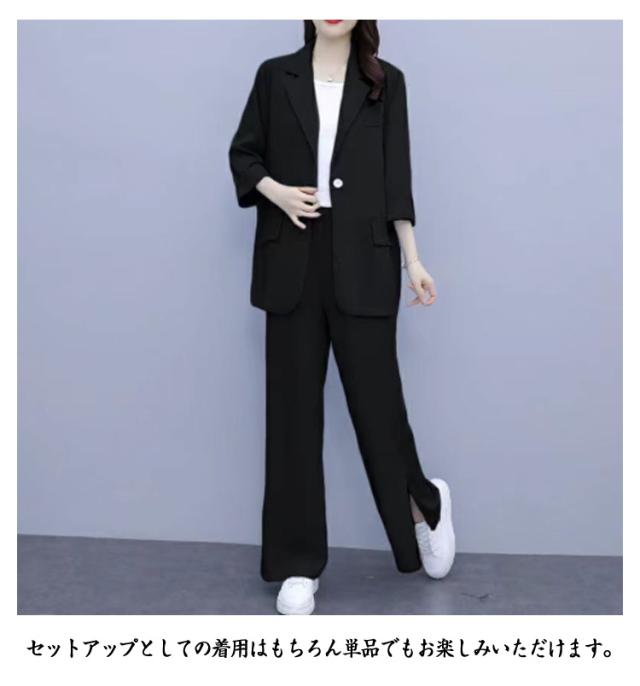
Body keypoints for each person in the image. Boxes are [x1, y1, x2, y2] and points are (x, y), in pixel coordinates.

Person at [228, 19, 455, 615]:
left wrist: (413, 260)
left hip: (365, 259)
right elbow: (243, 154)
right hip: (292, 260)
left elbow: (396, 178)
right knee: (292, 416)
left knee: (378, 407)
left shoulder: (386, 82)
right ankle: (296, 564)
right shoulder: (274, 77)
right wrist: (276, 191)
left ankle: (423, 505)